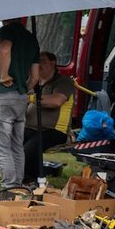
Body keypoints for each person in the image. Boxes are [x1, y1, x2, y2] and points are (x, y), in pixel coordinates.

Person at [0, 17, 39, 189]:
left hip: (2, 96)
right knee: (17, 146)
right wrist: (25, 87)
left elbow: (5, 49)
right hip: (21, 98)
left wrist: (3, 75)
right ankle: (18, 188)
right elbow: (36, 77)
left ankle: (8, 188)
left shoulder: (7, 31)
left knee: (2, 148)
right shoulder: (31, 38)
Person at [23, 51, 75, 183]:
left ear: (53, 64)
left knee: (29, 149)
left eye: (43, 62)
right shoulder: (33, 82)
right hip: (30, 128)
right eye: (36, 62)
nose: (38, 65)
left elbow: (56, 101)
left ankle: (32, 181)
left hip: (54, 131)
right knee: (11, 142)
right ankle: (16, 177)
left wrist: (29, 98)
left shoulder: (63, 81)